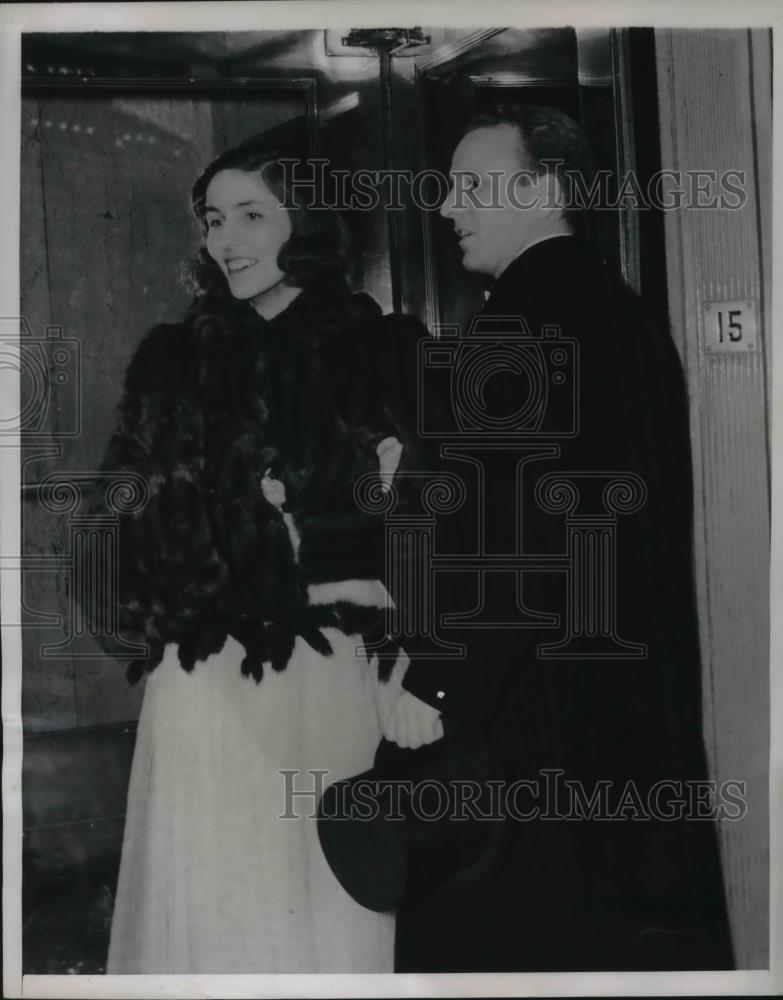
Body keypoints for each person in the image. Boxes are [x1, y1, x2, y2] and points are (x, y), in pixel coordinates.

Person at [392, 106, 735, 972]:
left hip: (522, 719)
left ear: (545, 188)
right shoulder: (618, 312)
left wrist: (429, 686)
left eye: (472, 184)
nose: (447, 206)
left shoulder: (513, 325)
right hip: (613, 706)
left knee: (505, 944)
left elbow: (511, 543)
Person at [86, 140, 442, 974]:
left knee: (330, 899)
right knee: (222, 902)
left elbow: (438, 530)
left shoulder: (384, 350)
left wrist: (409, 657)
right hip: (210, 679)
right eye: (215, 219)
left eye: (253, 215)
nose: (227, 240)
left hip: (338, 674)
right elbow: (120, 520)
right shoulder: (173, 361)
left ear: (308, 225)